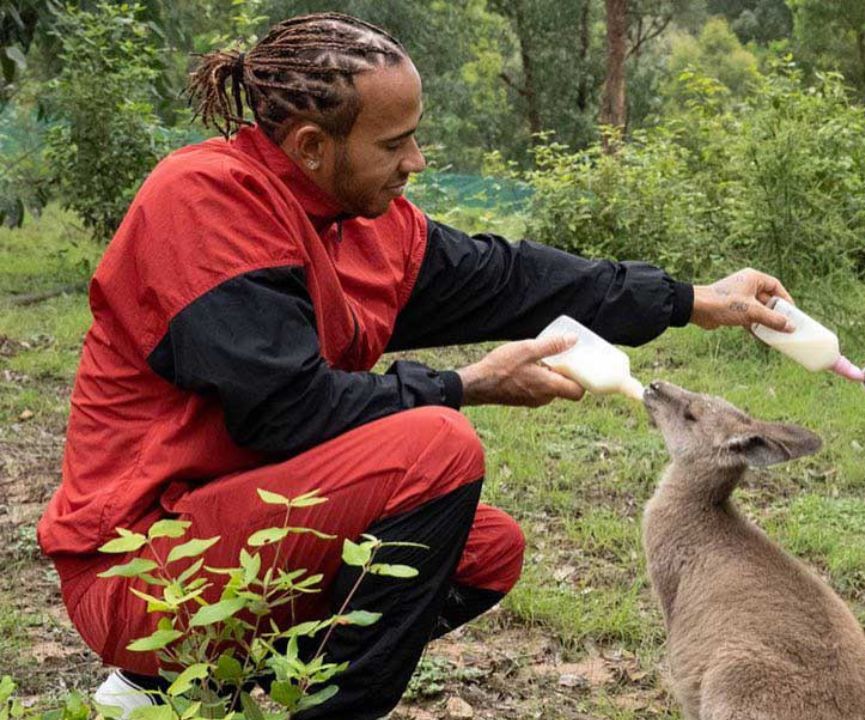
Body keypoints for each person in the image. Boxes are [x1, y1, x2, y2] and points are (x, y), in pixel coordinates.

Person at [35, 12, 796, 720]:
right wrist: (468, 386)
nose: (417, 161)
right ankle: (218, 686)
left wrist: (692, 299)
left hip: (244, 540)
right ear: (309, 146)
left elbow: (513, 278)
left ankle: (219, 694)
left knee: (485, 551)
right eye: (394, 142)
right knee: (437, 448)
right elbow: (284, 410)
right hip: (141, 570)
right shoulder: (204, 202)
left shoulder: (366, 227)